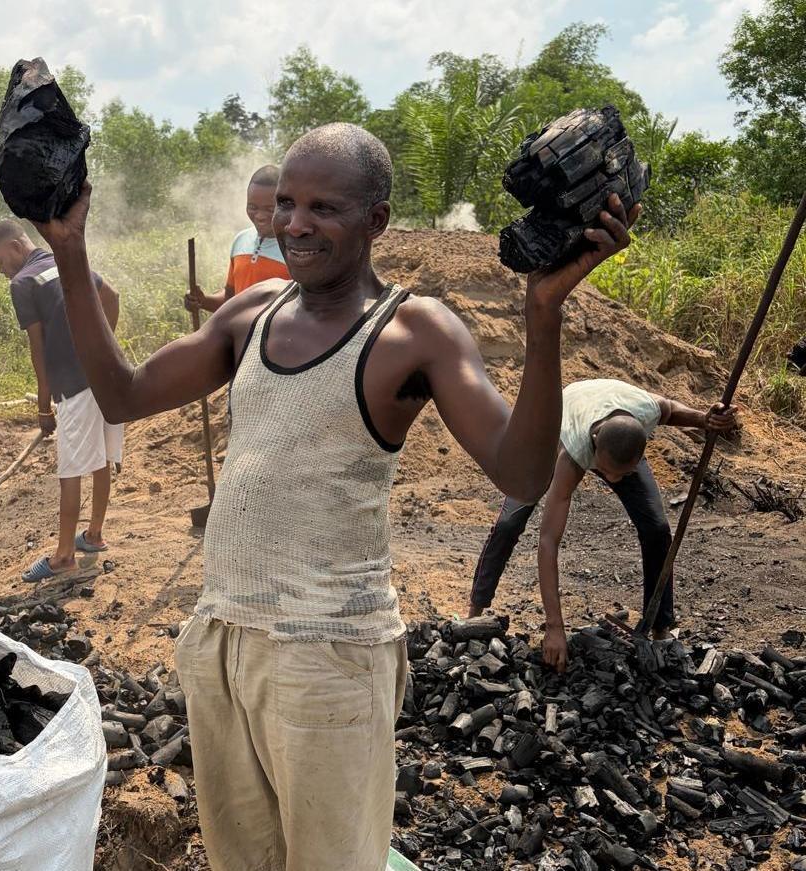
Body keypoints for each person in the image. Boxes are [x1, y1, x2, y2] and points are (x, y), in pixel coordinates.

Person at [31, 122, 638, 871]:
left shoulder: (414, 331)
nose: (293, 223)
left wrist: (542, 315)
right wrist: (69, 249)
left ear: (376, 220)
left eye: (323, 207)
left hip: (329, 654)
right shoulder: (251, 316)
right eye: (286, 202)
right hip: (224, 640)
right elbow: (121, 395)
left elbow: (520, 473)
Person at [469, 378, 739, 670]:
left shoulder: (645, 412)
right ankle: (475, 612)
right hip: (558, 423)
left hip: (615, 423)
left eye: (621, 475)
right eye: (608, 472)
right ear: (595, 446)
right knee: (510, 523)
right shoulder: (573, 452)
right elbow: (548, 541)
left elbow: (670, 410)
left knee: (657, 529)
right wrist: (555, 626)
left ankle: (661, 627)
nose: (612, 481)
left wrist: (706, 419)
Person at [0, 219, 122, 582]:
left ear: (16, 246)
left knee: (71, 468)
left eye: (1, 262)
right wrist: (101, 347)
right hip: (107, 376)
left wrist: (44, 407)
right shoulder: (63, 260)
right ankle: (93, 535)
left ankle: (63, 557)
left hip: (73, 385)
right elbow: (113, 297)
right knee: (100, 456)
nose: (3, 271)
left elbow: (37, 349)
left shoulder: (23, 283)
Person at [185, 164, 289, 313]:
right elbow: (230, 300)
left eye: (270, 209)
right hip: (239, 336)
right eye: (252, 207)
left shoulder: (295, 249)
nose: (259, 216)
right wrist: (202, 301)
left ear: (285, 205)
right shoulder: (241, 240)